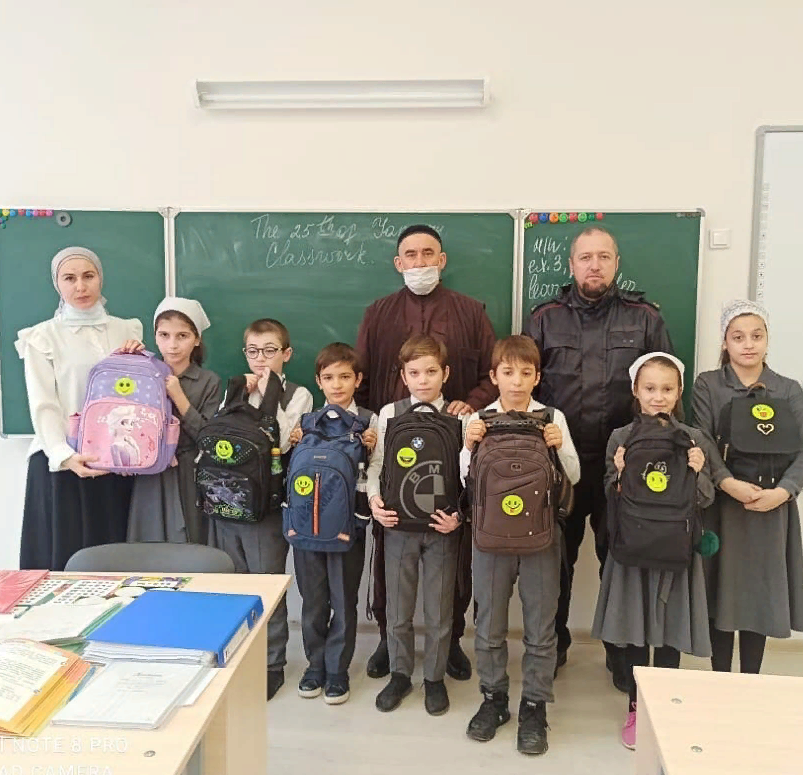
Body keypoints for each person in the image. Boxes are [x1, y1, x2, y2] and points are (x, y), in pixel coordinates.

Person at [526, 225, 673, 691]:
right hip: (560, 465)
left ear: (616, 264)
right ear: (571, 265)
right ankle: (553, 647)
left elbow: (667, 395)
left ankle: (621, 653)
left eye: (604, 257)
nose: (595, 265)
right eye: (586, 257)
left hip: (624, 468)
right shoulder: (545, 318)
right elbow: (525, 390)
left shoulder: (645, 318)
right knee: (554, 562)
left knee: (621, 561)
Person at [356, 223, 498, 682]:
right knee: (388, 559)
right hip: (393, 452)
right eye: (411, 255)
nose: (420, 262)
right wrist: (372, 431)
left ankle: (450, 641)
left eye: (428, 253)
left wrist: (470, 404)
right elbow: (361, 378)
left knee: (452, 563)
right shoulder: (378, 313)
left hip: (449, 448)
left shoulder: (471, 312)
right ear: (399, 263)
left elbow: (491, 374)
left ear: (442, 260)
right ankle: (387, 640)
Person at [462, 335, 580, 756]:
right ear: (493, 376)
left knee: (540, 629)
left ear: (537, 377)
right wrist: (469, 445)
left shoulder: (552, 417)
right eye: (508, 373)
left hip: (541, 537)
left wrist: (559, 446)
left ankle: (534, 706)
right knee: (489, 625)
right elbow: (465, 481)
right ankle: (493, 699)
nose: (516, 381)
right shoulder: (478, 418)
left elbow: (573, 477)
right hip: (489, 538)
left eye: (525, 373)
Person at [592, 353, 713, 750]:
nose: (658, 396)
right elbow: (610, 495)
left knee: (670, 628)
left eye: (666, 389)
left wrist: (698, 470)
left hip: (675, 548)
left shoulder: (693, 438)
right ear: (635, 391)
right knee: (634, 629)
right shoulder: (620, 437)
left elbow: (705, 498)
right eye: (649, 388)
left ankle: (667, 707)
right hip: (633, 546)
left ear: (679, 392)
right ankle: (636, 706)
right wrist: (619, 474)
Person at [16, 246, 144, 571]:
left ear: (101, 278)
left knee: (116, 566)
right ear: (57, 284)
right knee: (67, 565)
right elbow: (43, 404)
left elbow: (137, 395)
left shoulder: (127, 330)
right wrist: (64, 455)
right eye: (69, 278)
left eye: (88, 276)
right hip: (64, 464)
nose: (80, 287)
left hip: (116, 461)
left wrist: (140, 360)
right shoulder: (43, 336)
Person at [692, 300, 803, 674]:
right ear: (725, 342)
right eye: (738, 337)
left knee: (759, 594)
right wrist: (727, 482)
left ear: (767, 340)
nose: (748, 344)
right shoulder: (708, 384)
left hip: (772, 508)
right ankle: (720, 678)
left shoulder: (788, 390)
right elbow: (702, 439)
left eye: (757, 336)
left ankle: (750, 680)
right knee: (720, 591)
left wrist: (784, 491)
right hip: (723, 506)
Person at [209, 318, 313, 700]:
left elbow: (282, 441)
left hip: (267, 508)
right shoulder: (235, 387)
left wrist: (269, 394)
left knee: (267, 586)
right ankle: (241, 658)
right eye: (253, 351)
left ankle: (272, 664)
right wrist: (240, 397)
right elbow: (219, 434)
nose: (261, 359)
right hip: (228, 501)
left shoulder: (299, 394)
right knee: (236, 585)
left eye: (270, 351)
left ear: (286, 354)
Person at [367, 335, 463, 716]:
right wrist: (374, 501)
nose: (423, 380)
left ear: (445, 373)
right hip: (398, 526)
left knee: (439, 610)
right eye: (415, 372)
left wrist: (459, 516)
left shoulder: (460, 415)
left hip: (442, 528)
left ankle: (434, 678)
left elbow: (468, 475)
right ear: (403, 376)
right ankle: (400, 674)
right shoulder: (389, 413)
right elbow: (377, 465)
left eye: (431, 371)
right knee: (398, 608)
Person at [289, 343, 378, 705]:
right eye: (329, 377)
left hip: (346, 526)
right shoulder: (306, 421)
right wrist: (291, 441)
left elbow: (378, 470)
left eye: (345, 377)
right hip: (305, 526)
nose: (337, 385)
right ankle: (315, 666)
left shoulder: (370, 421)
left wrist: (372, 446)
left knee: (343, 600)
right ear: (318, 381)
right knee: (312, 601)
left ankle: (337, 670)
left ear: (358, 379)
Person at [128, 298, 221, 544]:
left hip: (189, 473)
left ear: (197, 339)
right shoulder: (143, 374)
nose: (172, 345)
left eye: (182, 336)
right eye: (164, 335)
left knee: (190, 539)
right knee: (149, 539)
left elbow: (207, 437)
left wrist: (179, 396)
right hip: (150, 471)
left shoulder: (209, 381)